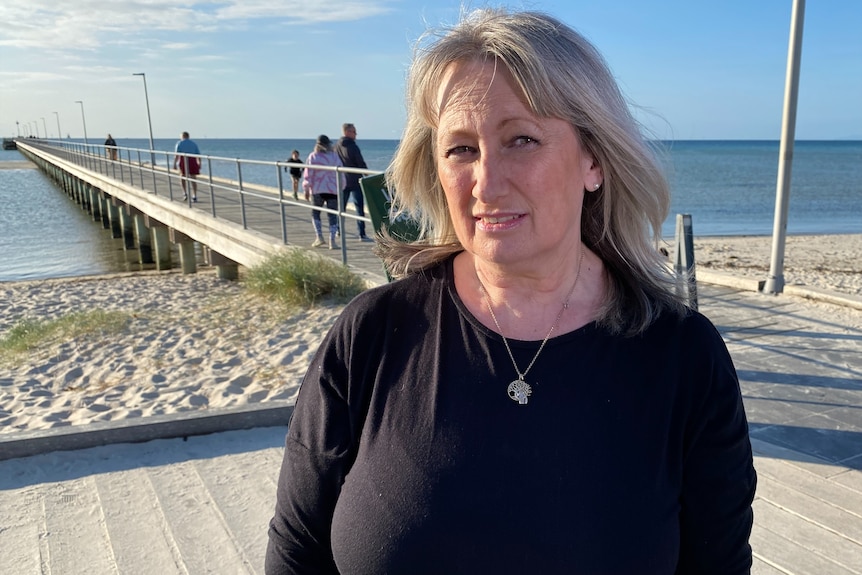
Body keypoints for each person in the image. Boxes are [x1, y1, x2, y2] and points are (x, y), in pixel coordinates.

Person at [266, 9, 756, 575]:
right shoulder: (372, 335)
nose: (487, 182)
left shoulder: (683, 358)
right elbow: (296, 551)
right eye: (461, 149)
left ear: (593, 159)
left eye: (522, 139)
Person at [302, 135, 343, 249]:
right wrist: (341, 187)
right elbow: (341, 173)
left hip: (317, 189)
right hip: (332, 190)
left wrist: (306, 188)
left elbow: (308, 174)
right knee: (332, 215)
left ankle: (319, 237)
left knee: (315, 213)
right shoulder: (334, 157)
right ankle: (332, 241)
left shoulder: (313, 157)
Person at [335, 123, 371, 241]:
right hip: (355, 179)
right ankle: (362, 233)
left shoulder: (336, 146)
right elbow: (359, 162)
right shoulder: (352, 146)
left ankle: (338, 230)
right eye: (354, 132)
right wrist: (366, 173)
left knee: (342, 207)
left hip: (342, 179)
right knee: (359, 207)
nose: (356, 135)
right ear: (347, 132)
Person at [173, 131, 201, 202]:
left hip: (183, 159)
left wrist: (174, 164)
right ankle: (194, 195)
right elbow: (198, 154)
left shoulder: (179, 143)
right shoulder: (193, 144)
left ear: (183, 136)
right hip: (192, 160)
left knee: (182, 177)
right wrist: (199, 163)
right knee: (193, 178)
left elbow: (176, 155)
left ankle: (185, 193)